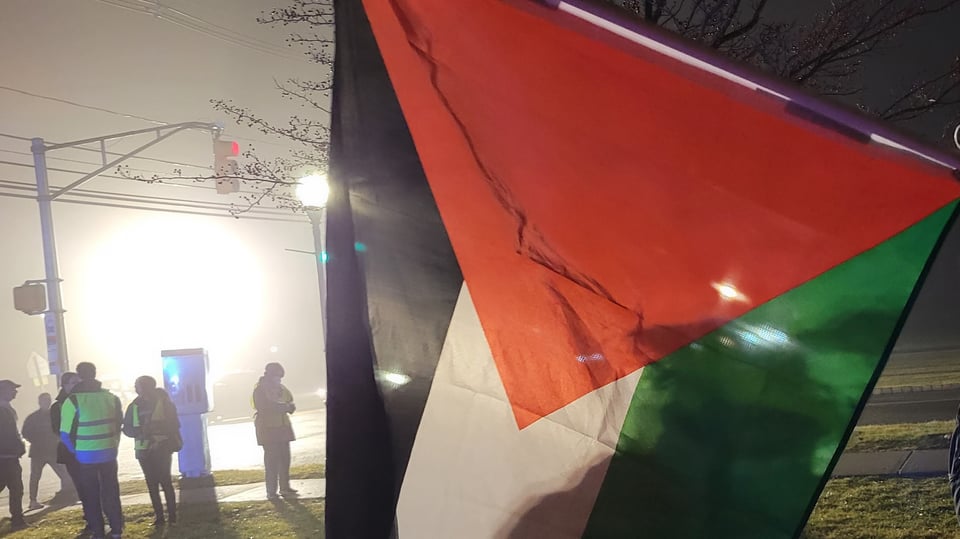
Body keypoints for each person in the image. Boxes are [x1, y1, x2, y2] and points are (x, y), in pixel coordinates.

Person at [60, 362, 124, 539]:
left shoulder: (72, 400)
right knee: (111, 491)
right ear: (95, 374)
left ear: (79, 376)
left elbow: (65, 434)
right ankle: (117, 529)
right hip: (109, 453)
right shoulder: (111, 398)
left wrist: (76, 451)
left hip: (85, 457)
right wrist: (113, 444)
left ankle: (98, 531)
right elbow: (118, 424)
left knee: (91, 495)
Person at [122, 375, 181, 527]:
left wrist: (155, 432)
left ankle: (172, 516)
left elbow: (174, 425)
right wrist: (140, 431)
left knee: (165, 482)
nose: (135, 388)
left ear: (145, 387)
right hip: (144, 451)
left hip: (161, 448)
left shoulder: (165, 403)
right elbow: (127, 428)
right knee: (152, 484)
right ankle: (160, 517)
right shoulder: (134, 406)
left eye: (137, 385)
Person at [51, 371, 92, 536]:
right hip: (71, 452)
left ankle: (96, 514)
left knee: (93, 484)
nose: (77, 384)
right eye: (73, 382)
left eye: (78, 381)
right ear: (64, 385)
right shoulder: (58, 406)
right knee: (81, 486)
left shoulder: (84, 399)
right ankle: (90, 517)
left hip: (89, 448)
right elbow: (57, 430)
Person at [252, 362, 297, 499]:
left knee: (285, 459)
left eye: (280, 377)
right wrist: (284, 407)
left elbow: (290, 402)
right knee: (272, 461)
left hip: (283, 428)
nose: (279, 379)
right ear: (269, 375)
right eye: (277, 376)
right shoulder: (260, 389)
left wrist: (287, 407)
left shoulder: (281, 388)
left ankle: (285, 487)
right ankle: (271, 491)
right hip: (268, 429)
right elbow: (265, 407)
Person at [21, 392, 72, 510]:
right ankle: (33, 501)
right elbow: (25, 432)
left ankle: (69, 495)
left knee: (64, 473)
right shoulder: (33, 417)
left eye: (48, 400)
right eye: (44, 400)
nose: (47, 402)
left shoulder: (53, 415)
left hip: (53, 450)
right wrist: (36, 440)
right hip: (38, 452)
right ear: (40, 402)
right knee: (35, 476)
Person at [0, 379, 28, 531]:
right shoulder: (3, 409)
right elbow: (9, 434)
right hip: (5, 457)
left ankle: (18, 519)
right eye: (12, 389)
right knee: (15, 488)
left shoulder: (7, 408)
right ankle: (17, 519)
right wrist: (18, 446)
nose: (15, 392)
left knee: (16, 489)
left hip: (10, 456)